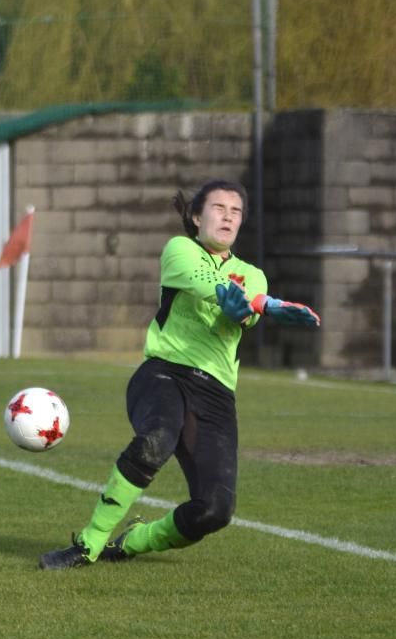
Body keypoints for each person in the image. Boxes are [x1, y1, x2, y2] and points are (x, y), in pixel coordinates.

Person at [39, 179, 320, 569]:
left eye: (235, 211)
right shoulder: (180, 250)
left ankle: (134, 542)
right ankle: (87, 543)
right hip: (163, 374)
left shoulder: (253, 275)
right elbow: (204, 282)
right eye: (219, 208)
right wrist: (262, 304)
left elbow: (243, 314)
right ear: (196, 216)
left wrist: (249, 307)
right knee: (155, 441)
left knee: (215, 511)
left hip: (217, 394)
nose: (227, 216)